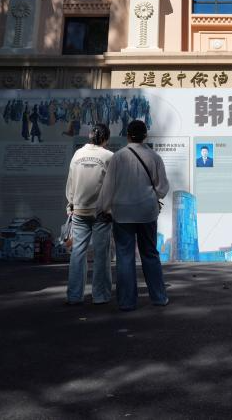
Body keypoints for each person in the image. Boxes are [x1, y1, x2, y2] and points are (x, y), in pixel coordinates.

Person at [97, 120, 170, 311]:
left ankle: (127, 302)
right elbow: (163, 188)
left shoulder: (118, 157)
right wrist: (153, 196)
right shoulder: (154, 157)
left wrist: (103, 208)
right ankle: (159, 297)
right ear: (145, 135)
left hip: (122, 213)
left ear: (127, 135)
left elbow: (108, 186)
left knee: (124, 256)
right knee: (150, 253)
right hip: (147, 212)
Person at [64, 124, 114, 305]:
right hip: (101, 211)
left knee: (78, 252)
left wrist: (71, 203)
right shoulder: (109, 156)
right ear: (106, 139)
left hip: (79, 209)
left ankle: (74, 296)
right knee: (102, 255)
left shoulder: (77, 154)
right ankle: (100, 295)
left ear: (90, 136)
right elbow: (113, 185)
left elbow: (70, 182)